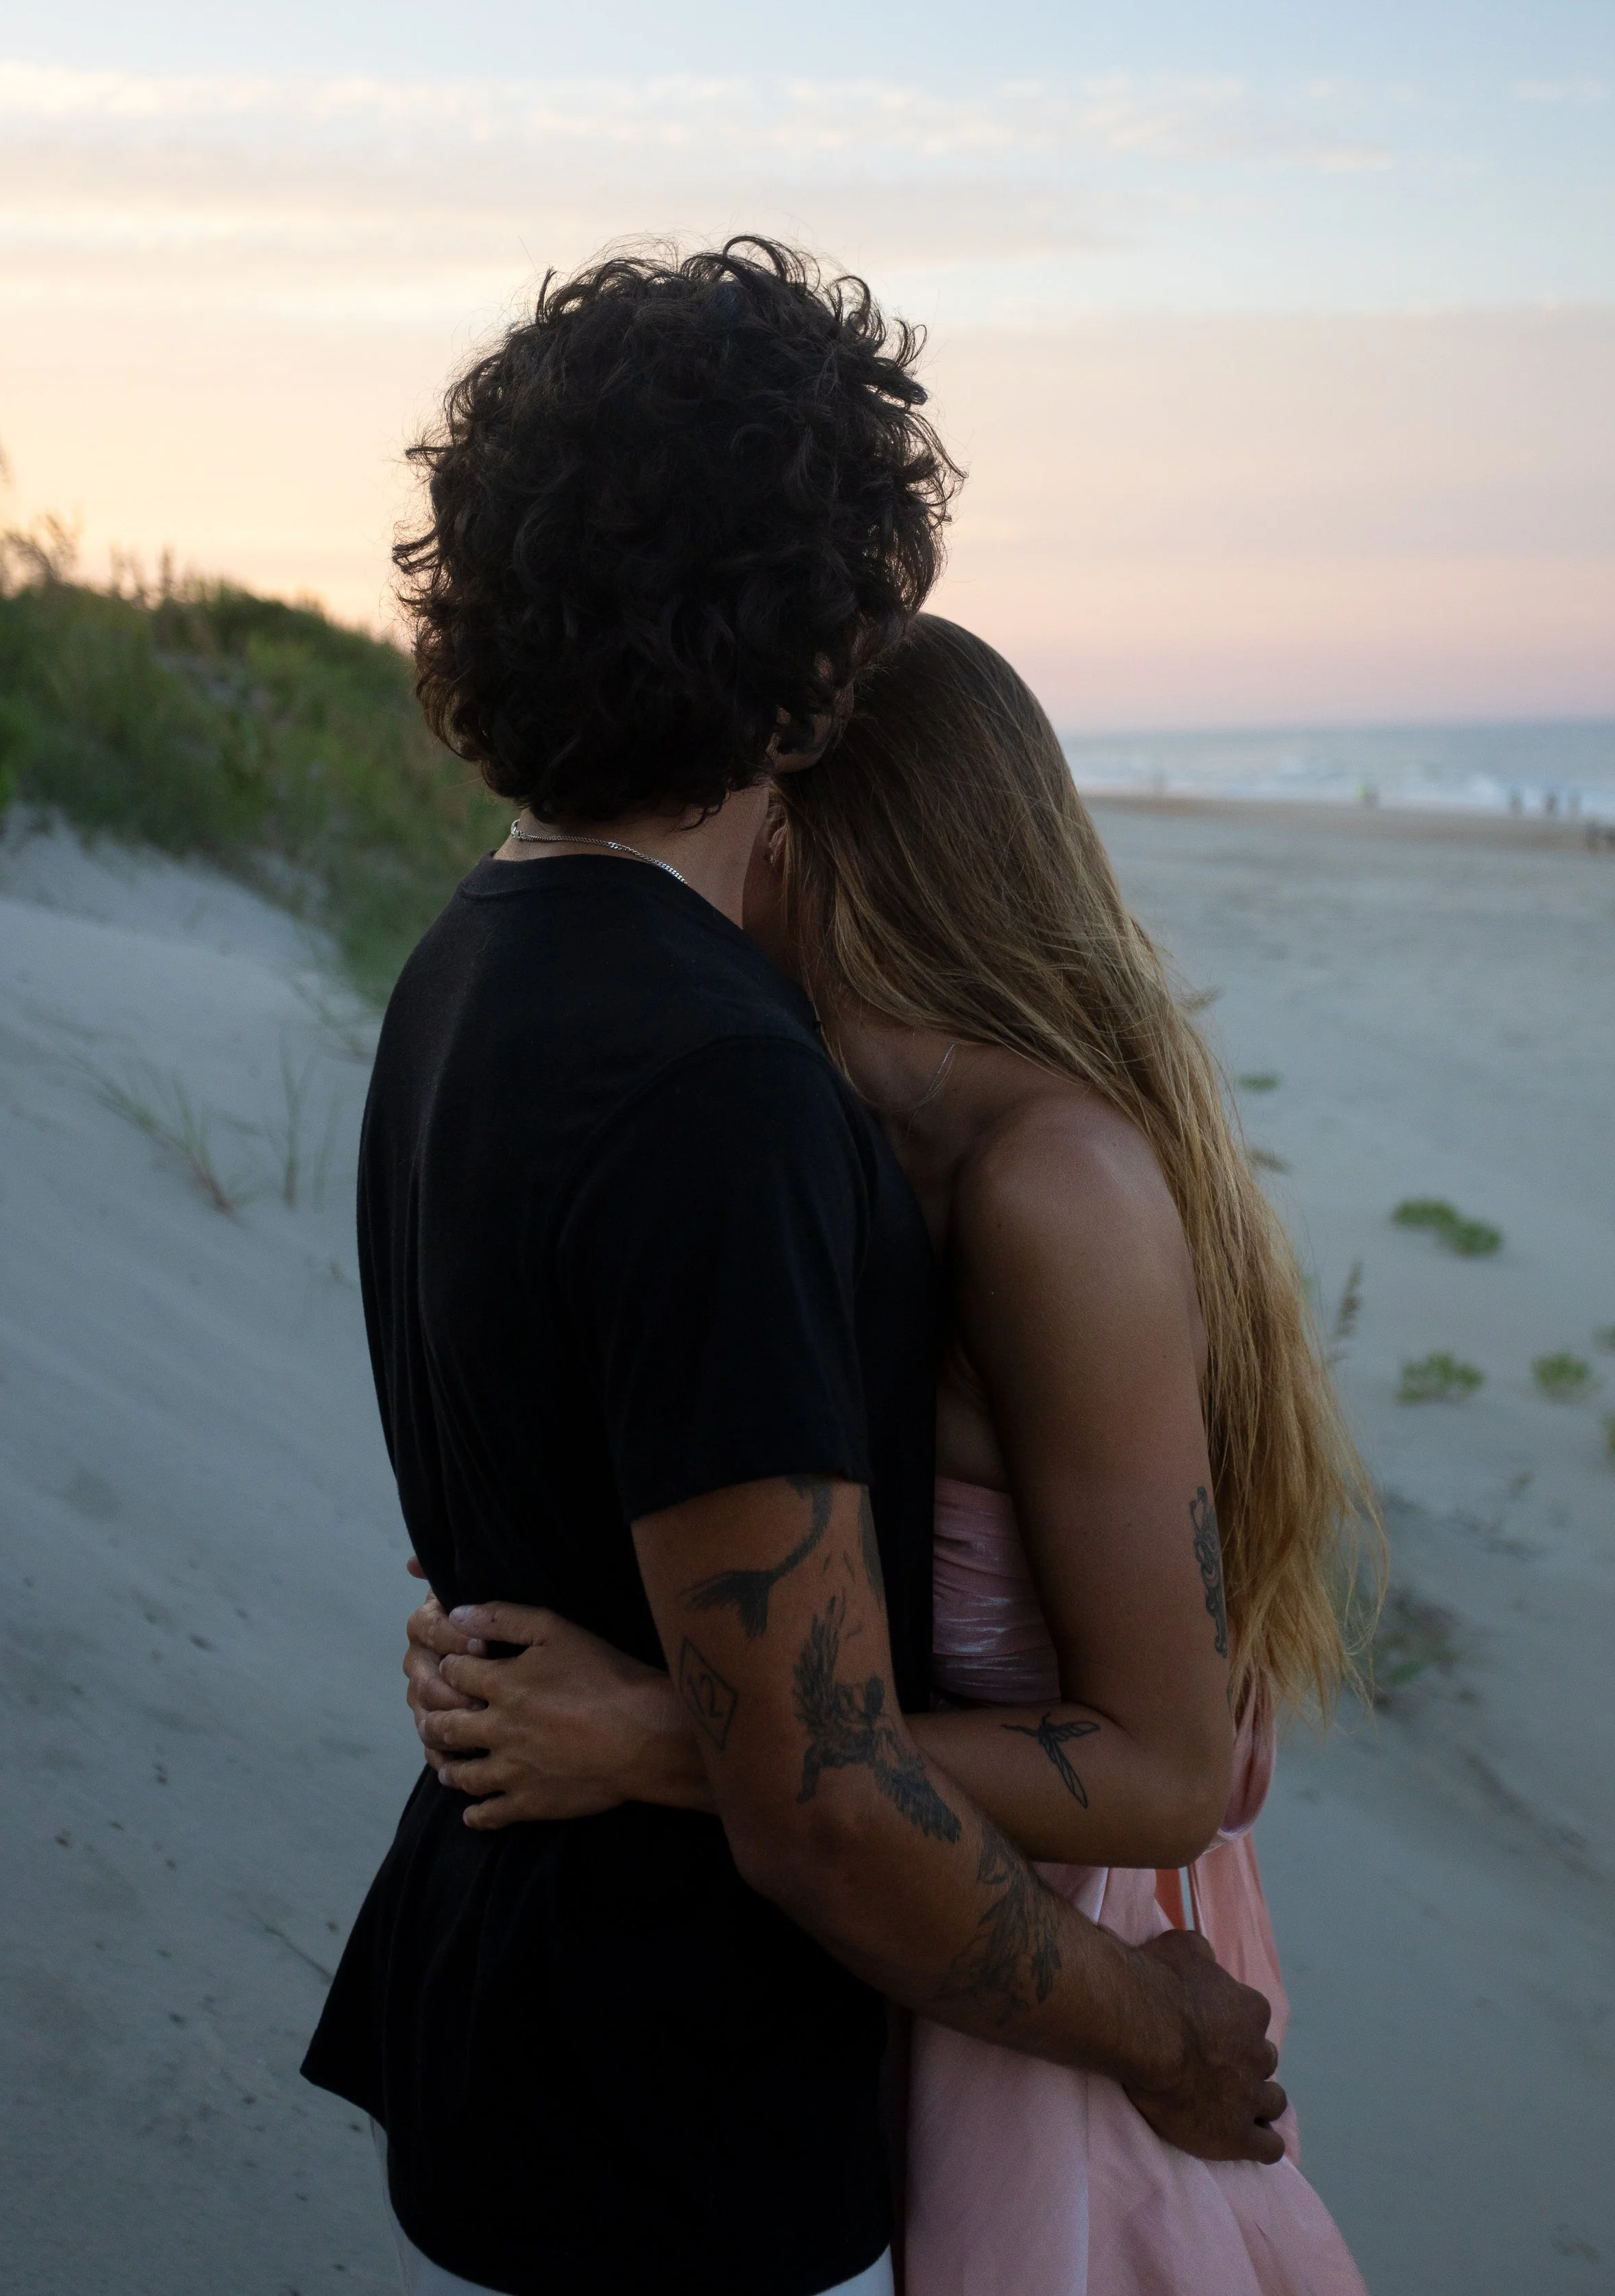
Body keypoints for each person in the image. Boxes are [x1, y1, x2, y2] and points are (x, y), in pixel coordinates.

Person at [301, 243, 1286, 2296]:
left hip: (517, 2024)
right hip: (685, 2105)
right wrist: (1156, 2033)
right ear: (816, 639)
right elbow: (819, 1801)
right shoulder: (713, 1083)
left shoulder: (463, 969)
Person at [402, 614, 1377, 2291]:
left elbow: (1162, 1775)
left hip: (1047, 1985)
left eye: (746, 798)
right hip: (895, 1956)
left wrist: (652, 1735)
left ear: (812, 831)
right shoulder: (845, 1160)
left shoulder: (1045, 1187)